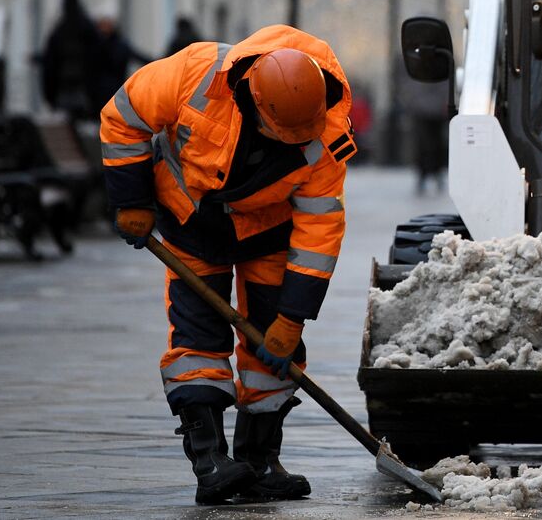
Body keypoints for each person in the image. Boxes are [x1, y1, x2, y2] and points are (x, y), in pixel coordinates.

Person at [99, 25, 355, 504]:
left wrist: (291, 316)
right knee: (197, 343)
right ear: (254, 99)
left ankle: (258, 461)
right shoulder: (194, 74)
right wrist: (131, 200)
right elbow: (122, 116)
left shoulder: (330, 132)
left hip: (269, 233)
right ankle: (210, 463)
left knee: (273, 348)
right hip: (191, 222)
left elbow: (321, 226)